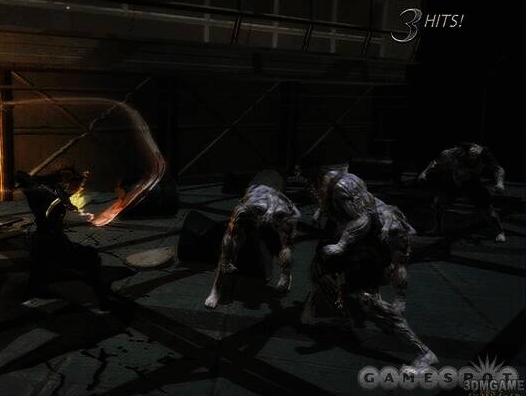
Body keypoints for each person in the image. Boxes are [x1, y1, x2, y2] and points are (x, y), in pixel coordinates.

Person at [301, 164, 437, 370]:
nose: (311, 192)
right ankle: (339, 315)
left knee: (369, 301)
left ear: (315, 180)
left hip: (379, 238)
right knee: (320, 269)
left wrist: (341, 245)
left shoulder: (341, 187)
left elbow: (362, 219)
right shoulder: (332, 187)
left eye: (310, 186)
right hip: (366, 239)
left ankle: (424, 352)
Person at [16, 168, 113, 309]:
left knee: (40, 267)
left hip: (43, 239)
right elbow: (22, 176)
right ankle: (103, 301)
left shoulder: (45, 191)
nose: (80, 187)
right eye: (77, 183)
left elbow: (24, 177)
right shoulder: (49, 197)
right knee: (90, 258)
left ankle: (34, 292)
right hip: (52, 240)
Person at [204, 170, 300, 309]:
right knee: (229, 247)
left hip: (275, 194)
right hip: (257, 198)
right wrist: (226, 260)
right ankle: (216, 290)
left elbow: (290, 238)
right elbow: (228, 239)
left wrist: (286, 271)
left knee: (285, 244)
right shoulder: (244, 210)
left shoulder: (282, 210)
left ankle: (286, 274)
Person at [418, 142, 506, 242]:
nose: (473, 161)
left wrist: (500, 183)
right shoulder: (451, 153)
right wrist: (425, 172)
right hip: (454, 180)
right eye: (471, 157)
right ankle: (438, 228)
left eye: (475, 158)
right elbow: (436, 162)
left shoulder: (483, 155)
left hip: (471, 182)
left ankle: (500, 232)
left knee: (487, 211)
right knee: (438, 204)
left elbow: (498, 169)